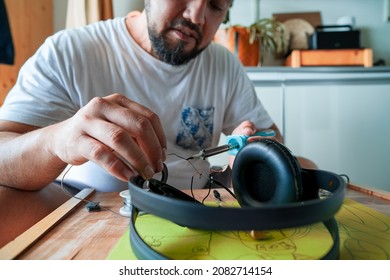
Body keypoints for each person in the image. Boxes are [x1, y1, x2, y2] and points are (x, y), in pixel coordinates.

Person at [0, 0, 289, 195]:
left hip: (197, 216)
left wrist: (246, 163)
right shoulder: (69, 51)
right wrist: (56, 140)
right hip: (92, 216)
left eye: (215, 5)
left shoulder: (223, 65)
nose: (196, 16)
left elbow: (272, 143)